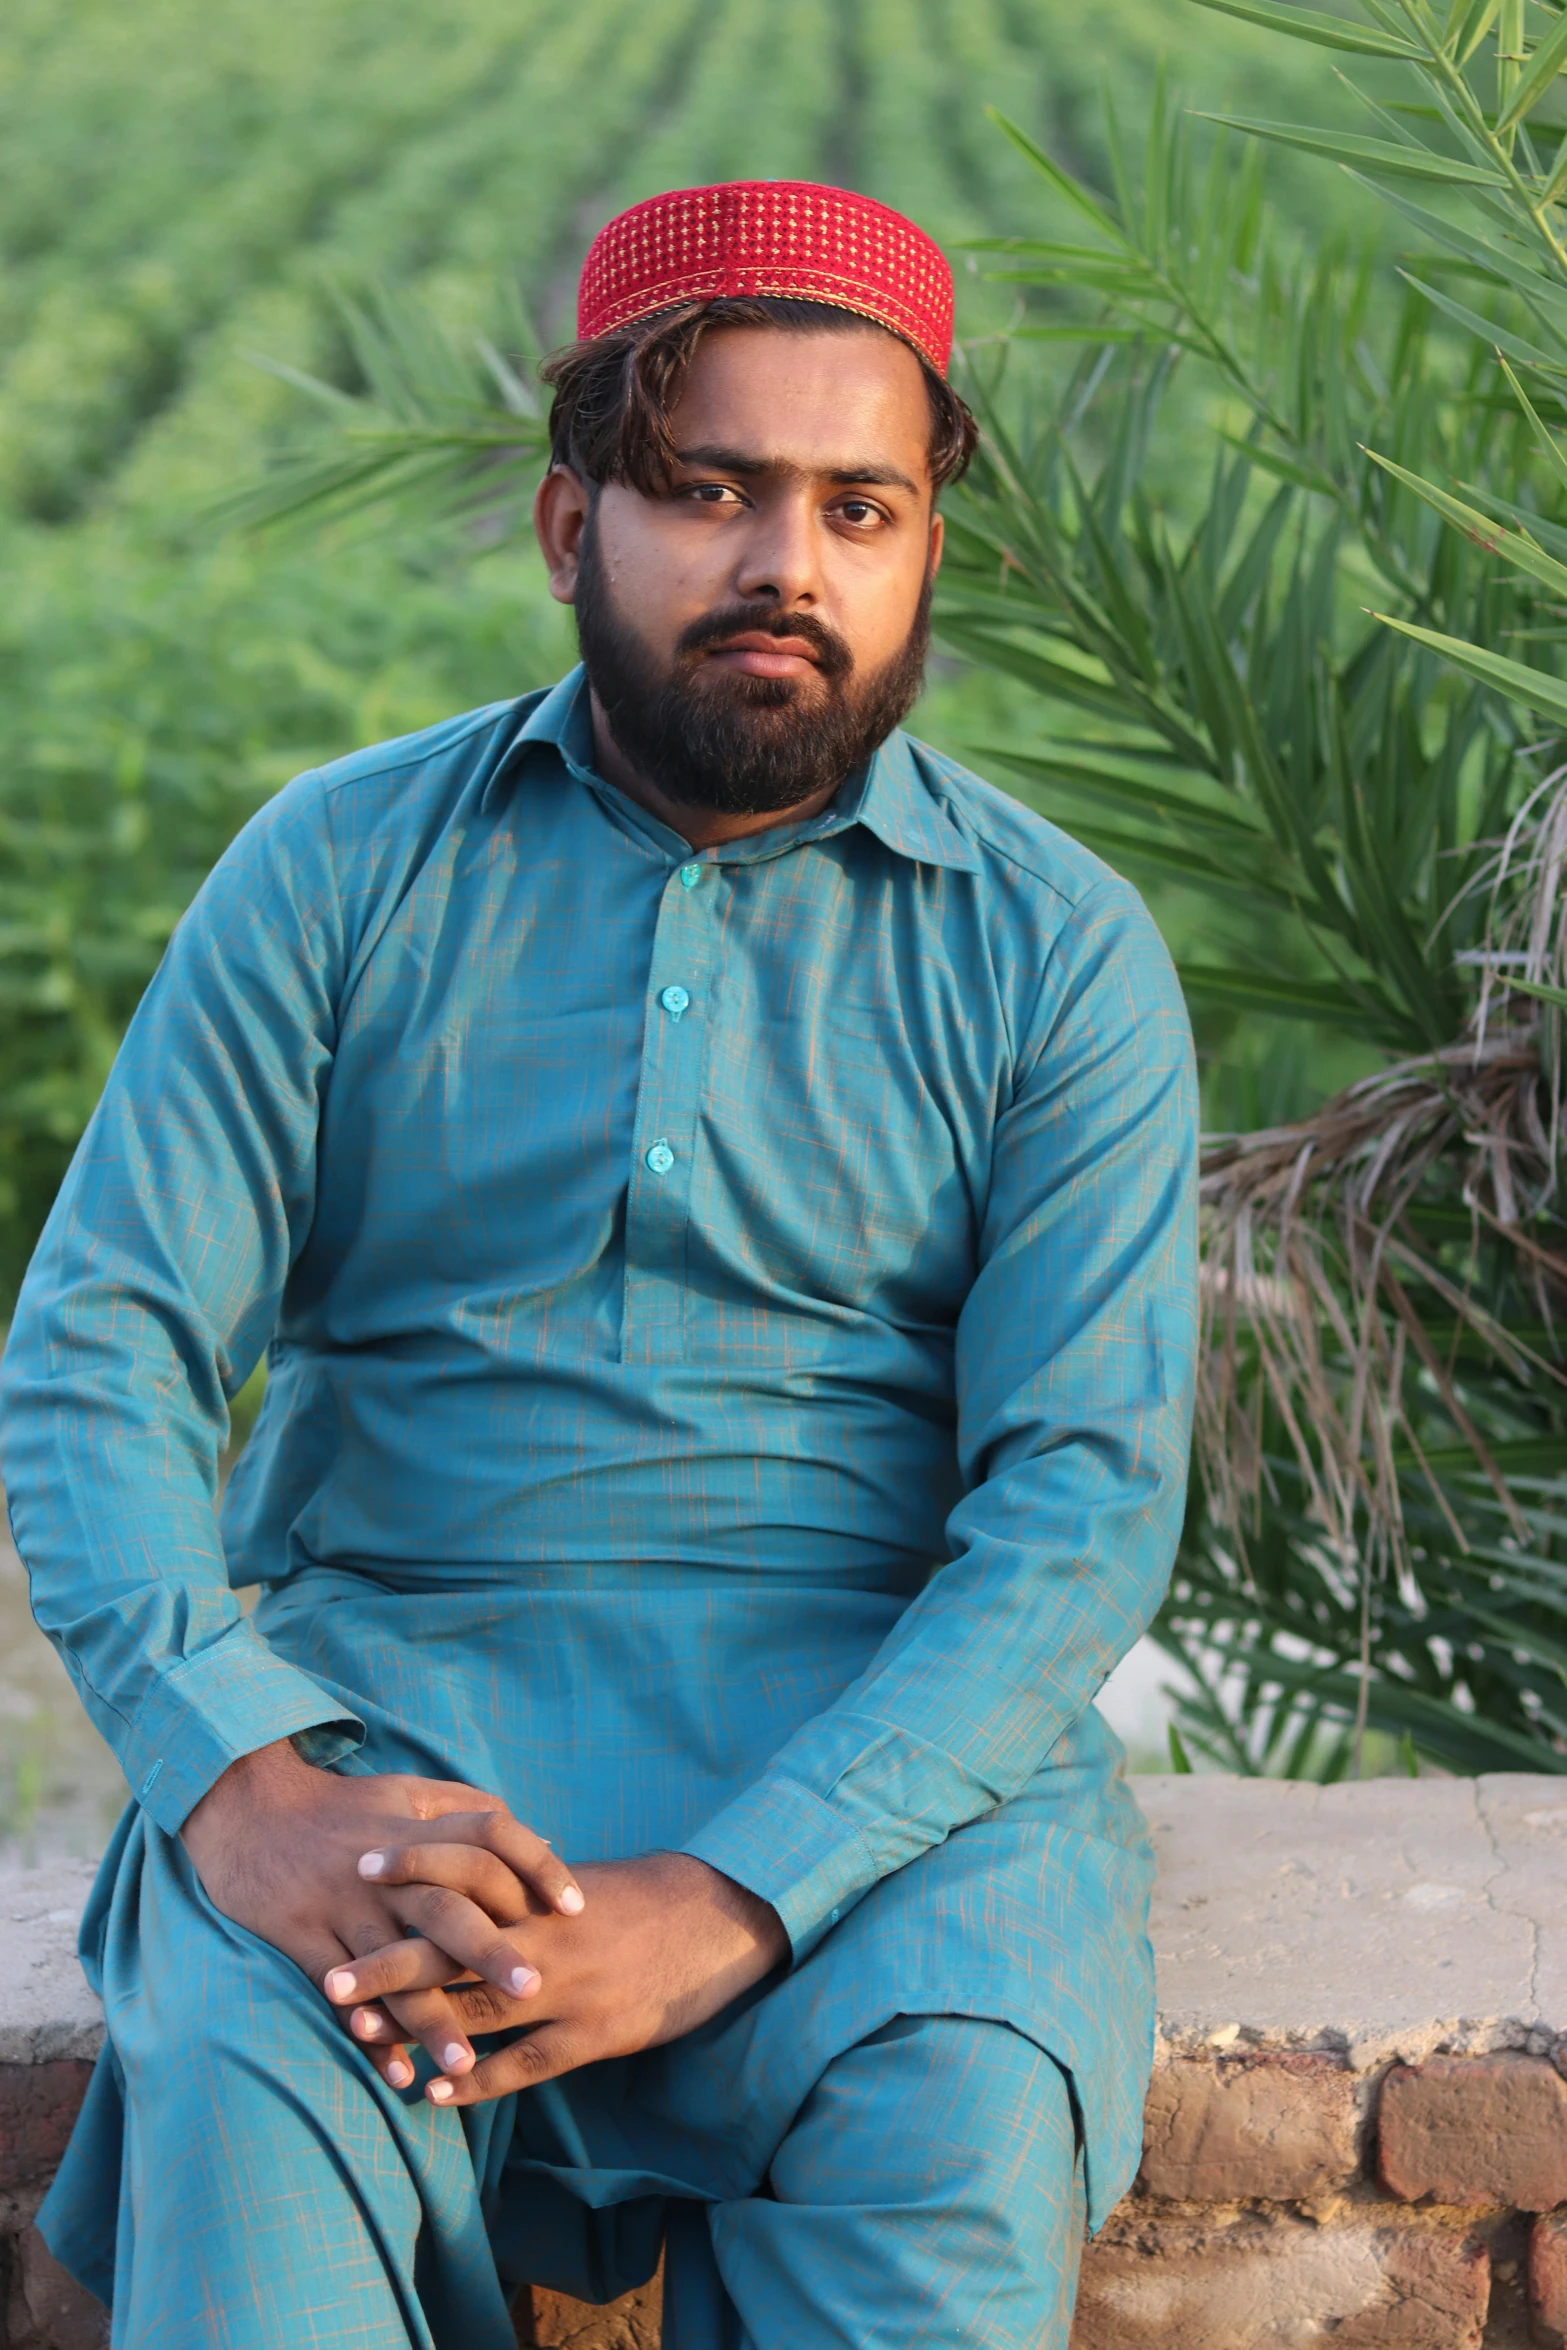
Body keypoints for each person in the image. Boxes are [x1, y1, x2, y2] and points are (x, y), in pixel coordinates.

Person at [0, 180, 1197, 2350]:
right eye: (710, 489)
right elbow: (97, 1358)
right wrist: (249, 1790)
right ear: (574, 528)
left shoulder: (1056, 953)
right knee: (250, 2119)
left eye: (860, 506)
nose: (785, 566)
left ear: (931, 548)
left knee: (963, 2135)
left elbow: (1080, 1513)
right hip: (398, 1759)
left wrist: (739, 1889)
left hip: (893, 1792)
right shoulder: (341, 873)